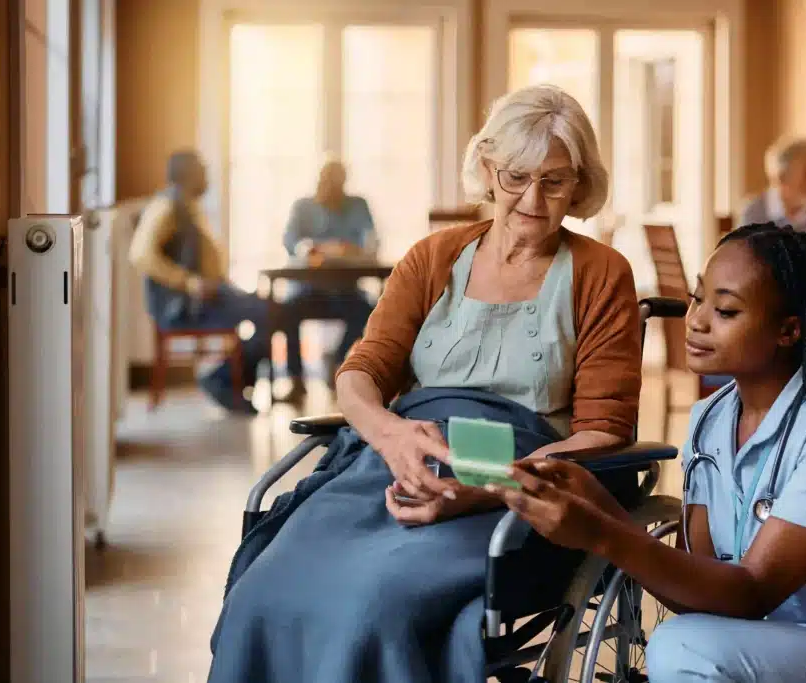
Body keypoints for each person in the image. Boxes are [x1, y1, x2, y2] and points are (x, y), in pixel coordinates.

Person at [207, 84, 642, 683]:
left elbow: (602, 433)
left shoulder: (599, 273)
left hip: (524, 475)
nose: (533, 200)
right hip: (401, 455)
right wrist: (388, 435)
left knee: (374, 606)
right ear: (487, 171)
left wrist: (490, 487)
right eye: (516, 177)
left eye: (555, 181)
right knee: (265, 590)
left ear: (580, 184)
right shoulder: (433, 257)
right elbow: (360, 372)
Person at [487, 222, 806, 683]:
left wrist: (603, 534)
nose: (695, 321)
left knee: (682, 649)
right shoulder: (710, 420)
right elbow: (699, 591)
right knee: (688, 639)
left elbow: (752, 590)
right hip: (769, 646)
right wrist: (603, 507)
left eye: (726, 311)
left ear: (788, 330)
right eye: (697, 299)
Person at [129, 150, 292, 414]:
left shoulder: (187, 205)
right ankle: (223, 380)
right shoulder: (166, 207)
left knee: (271, 310)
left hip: (211, 295)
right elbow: (140, 253)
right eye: (202, 169)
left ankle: (232, 379)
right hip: (186, 306)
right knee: (268, 311)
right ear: (188, 174)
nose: (207, 176)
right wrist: (190, 282)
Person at [280, 159, 378, 395]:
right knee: (286, 312)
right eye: (325, 181)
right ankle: (295, 378)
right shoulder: (302, 207)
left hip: (346, 290)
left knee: (370, 311)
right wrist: (307, 248)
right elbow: (290, 241)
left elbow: (370, 241)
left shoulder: (357, 205)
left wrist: (351, 249)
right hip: (308, 290)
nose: (330, 187)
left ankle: (338, 362)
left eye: (336, 182)